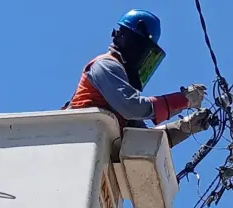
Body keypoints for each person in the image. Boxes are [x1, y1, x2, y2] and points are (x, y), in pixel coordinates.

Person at [62, 9, 211, 148]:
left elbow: (144, 142)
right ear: (124, 37)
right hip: (77, 144)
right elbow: (133, 106)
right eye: (141, 48)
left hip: (95, 151)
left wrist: (185, 127)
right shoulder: (106, 65)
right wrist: (183, 100)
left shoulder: (121, 97)